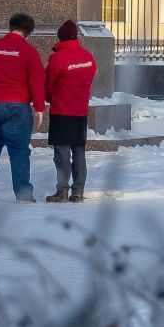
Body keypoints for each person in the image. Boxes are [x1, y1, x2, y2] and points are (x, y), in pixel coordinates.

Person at [0, 12, 45, 202]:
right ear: (28, 32)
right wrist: (39, 108)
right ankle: (23, 194)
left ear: (10, 28)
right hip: (16, 106)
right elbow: (37, 81)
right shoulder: (29, 52)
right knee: (19, 150)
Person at [43, 20, 96, 202]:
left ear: (60, 37)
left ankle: (62, 190)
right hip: (80, 111)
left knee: (62, 153)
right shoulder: (88, 58)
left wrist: (49, 98)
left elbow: (48, 85)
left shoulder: (58, 58)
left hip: (62, 111)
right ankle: (78, 190)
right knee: (79, 151)